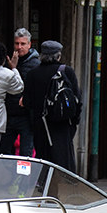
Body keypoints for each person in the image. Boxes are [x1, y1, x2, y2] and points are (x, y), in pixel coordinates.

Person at [24, 39, 81, 171]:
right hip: (63, 125)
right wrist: (73, 122)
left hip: (41, 125)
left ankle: (45, 188)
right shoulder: (67, 71)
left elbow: (27, 102)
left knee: (43, 162)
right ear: (58, 55)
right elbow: (77, 100)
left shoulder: (32, 74)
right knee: (63, 164)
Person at [0, 27, 41, 156]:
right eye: (17, 43)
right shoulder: (8, 61)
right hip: (9, 112)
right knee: (3, 151)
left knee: (26, 153)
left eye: (23, 44)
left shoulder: (35, 64)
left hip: (26, 115)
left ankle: (24, 176)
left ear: (29, 45)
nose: (19, 47)